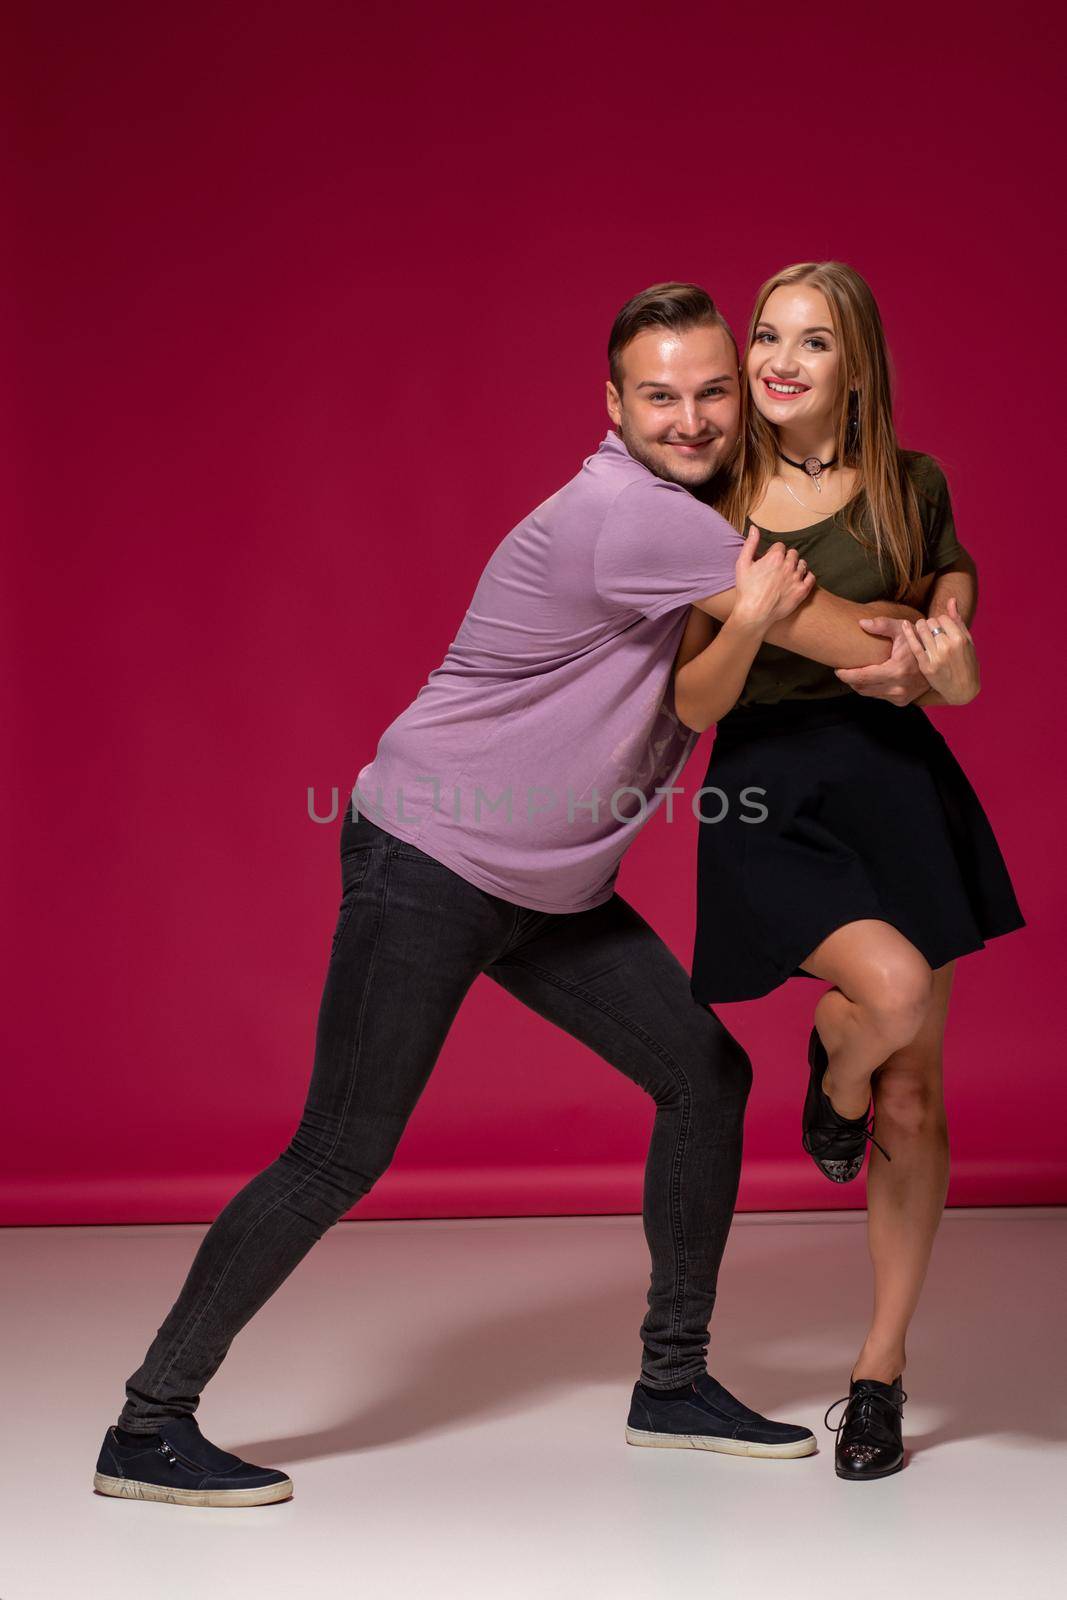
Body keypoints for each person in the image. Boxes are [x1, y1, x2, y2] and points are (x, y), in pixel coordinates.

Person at [93, 282, 929, 1507]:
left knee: (703, 1077)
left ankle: (670, 1382)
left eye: (709, 390)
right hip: (432, 855)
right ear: (611, 405)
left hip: (551, 886)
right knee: (339, 1152)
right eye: (659, 396)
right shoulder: (637, 518)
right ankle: (147, 1423)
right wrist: (935, 637)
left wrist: (918, 616)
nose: (690, 417)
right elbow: (853, 642)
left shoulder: (695, 516)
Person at [672, 261, 1026, 1482]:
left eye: (808, 342)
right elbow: (689, 690)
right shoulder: (710, 500)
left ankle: (876, 1374)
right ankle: (830, 1083)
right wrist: (776, 622)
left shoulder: (908, 483)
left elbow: (950, 622)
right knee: (890, 995)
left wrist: (946, 660)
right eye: (764, 334)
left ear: (854, 364)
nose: (775, 359)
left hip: (891, 782)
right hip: (764, 780)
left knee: (918, 1099)